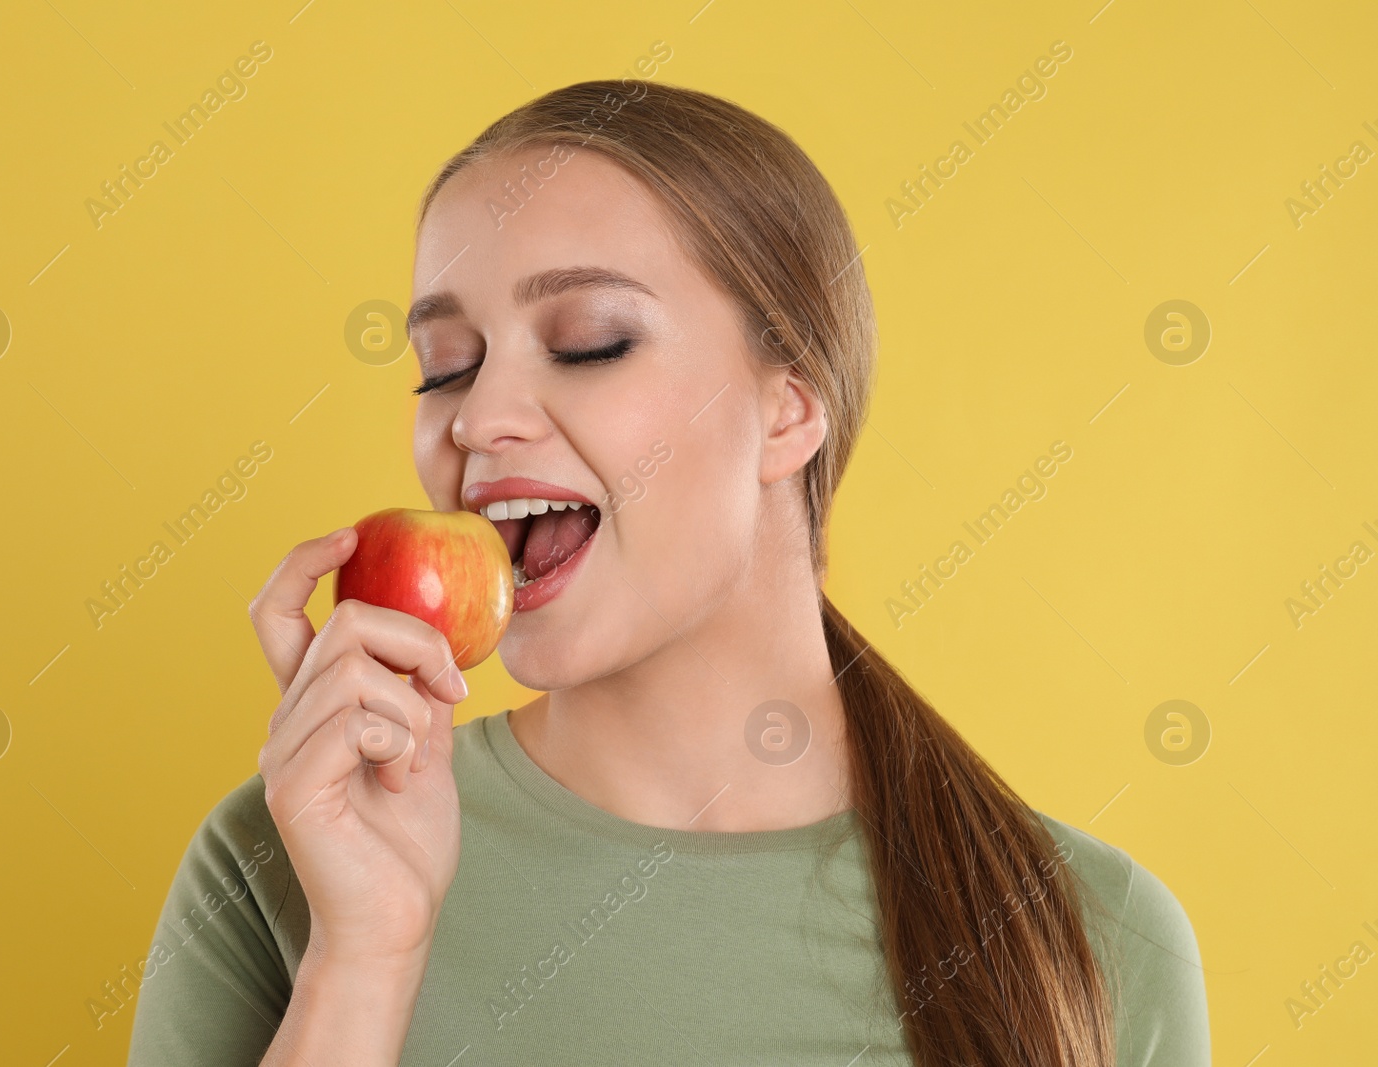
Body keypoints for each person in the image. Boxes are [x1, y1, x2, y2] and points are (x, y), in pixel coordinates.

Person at [127, 79, 1209, 1066]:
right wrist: (363, 959)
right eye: (446, 367)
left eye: (591, 341)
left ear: (786, 409)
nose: (478, 418)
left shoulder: (1090, 935)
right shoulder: (288, 855)